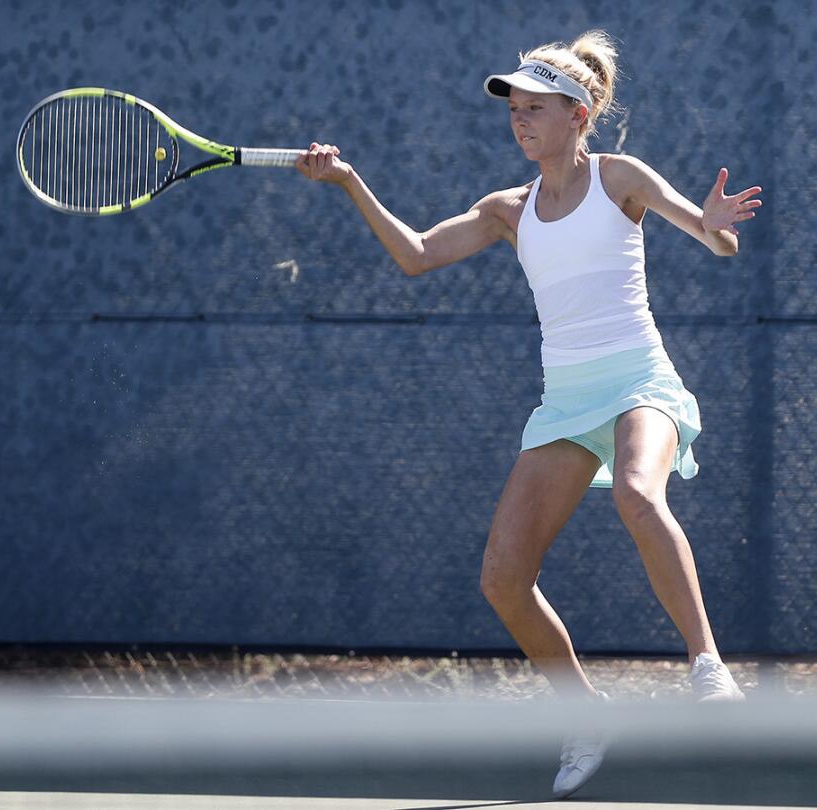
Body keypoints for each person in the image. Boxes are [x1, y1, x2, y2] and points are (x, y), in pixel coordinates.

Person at [295, 29, 762, 800]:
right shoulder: (508, 209)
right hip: (565, 403)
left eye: (535, 109)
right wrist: (348, 181)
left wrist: (714, 224)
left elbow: (717, 243)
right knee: (503, 579)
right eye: (514, 110)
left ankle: (707, 667)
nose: (520, 121)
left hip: (640, 381)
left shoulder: (622, 179)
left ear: (579, 114)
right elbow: (414, 254)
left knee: (643, 496)